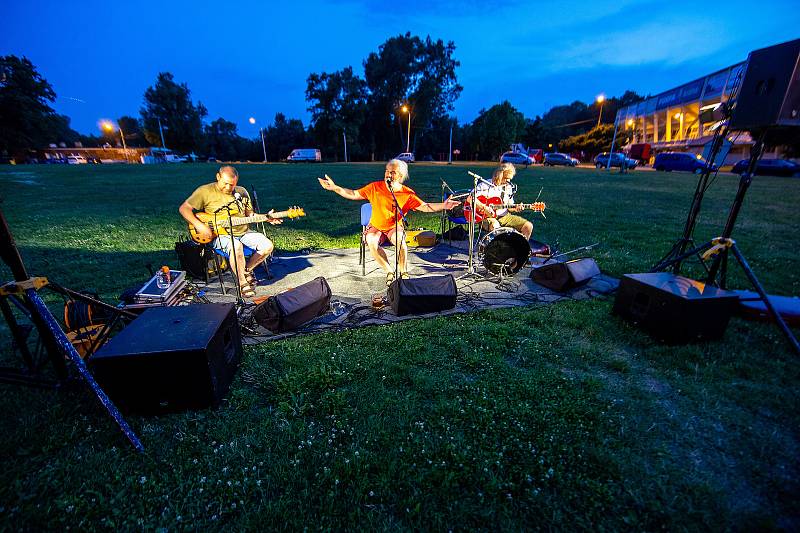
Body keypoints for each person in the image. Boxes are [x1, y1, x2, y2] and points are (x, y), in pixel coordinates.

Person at [318, 159, 460, 286]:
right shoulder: (374, 187)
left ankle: (403, 272)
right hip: (376, 226)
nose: (388, 174)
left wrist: (443, 206)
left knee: (401, 243)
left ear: (400, 176)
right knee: (372, 242)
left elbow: (424, 206)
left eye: (392, 172)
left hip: (394, 227)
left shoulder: (407, 193)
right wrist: (335, 187)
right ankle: (389, 271)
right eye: (386, 171)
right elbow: (354, 194)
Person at [179, 165, 281, 298]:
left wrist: (266, 218)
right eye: (225, 183)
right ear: (218, 177)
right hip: (218, 234)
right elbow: (184, 209)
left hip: (243, 232)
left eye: (232, 185)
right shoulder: (205, 191)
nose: (228, 188)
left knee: (267, 246)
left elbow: (250, 215)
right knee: (236, 246)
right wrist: (199, 225)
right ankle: (242, 283)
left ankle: (245, 271)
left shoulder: (242, 192)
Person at [470, 163, 534, 240]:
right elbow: (471, 198)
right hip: (486, 217)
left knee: (528, 226)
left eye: (510, 179)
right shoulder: (485, 185)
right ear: (499, 175)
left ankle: (520, 249)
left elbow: (510, 206)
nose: (508, 181)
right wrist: (485, 207)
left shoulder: (508, 187)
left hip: (505, 216)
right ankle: (497, 248)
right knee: (496, 226)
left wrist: (516, 208)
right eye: (506, 178)